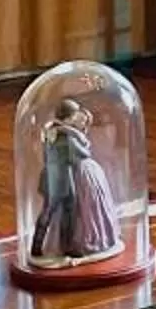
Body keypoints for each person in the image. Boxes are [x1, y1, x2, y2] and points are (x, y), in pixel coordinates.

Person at [29, 99, 121, 265]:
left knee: (51, 211)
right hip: (62, 178)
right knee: (64, 212)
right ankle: (65, 246)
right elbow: (81, 154)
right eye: (74, 114)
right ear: (69, 116)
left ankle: (41, 244)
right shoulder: (65, 135)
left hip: (53, 176)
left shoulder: (51, 131)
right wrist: (81, 137)